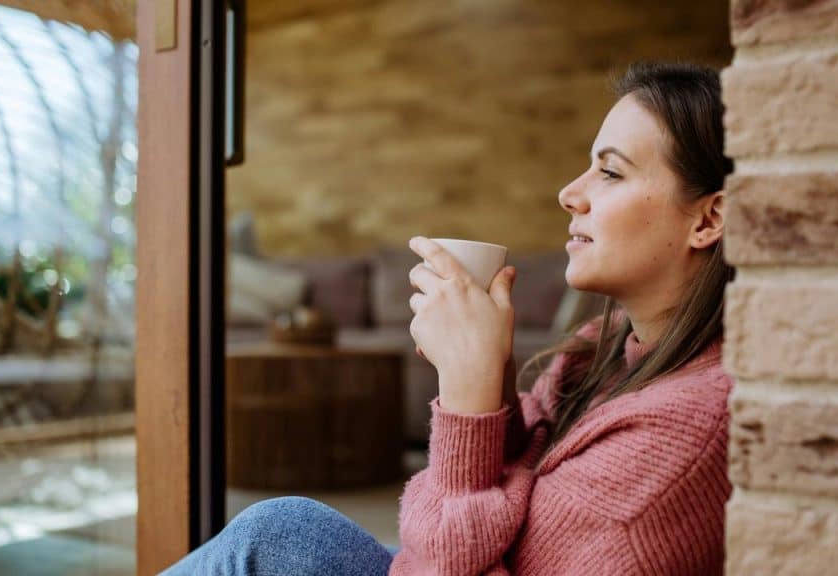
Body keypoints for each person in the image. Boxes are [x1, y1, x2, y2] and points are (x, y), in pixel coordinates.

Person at [160, 61, 734, 576]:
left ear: (708, 219)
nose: (568, 193)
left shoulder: (679, 445)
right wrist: (492, 374)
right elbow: (518, 479)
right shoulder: (602, 350)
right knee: (282, 531)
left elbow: (435, 564)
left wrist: (467, 399)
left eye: (609, 173)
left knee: (277, 537)